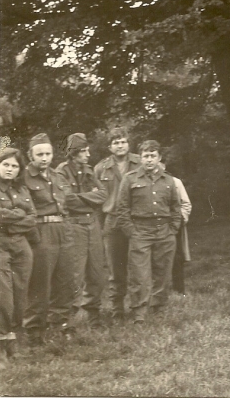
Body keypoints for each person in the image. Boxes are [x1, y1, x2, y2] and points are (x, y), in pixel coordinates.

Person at [117, 140, 181, 324]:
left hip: (164, 232)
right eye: (146, 156)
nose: (149, 160)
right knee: (139, 275)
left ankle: (159, 308)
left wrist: (173, 229)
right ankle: (139, 312)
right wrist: (132, 232)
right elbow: (122, 209)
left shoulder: (168, 180)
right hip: (140, 232)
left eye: (153, 156)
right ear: (140, 158)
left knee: (163, 272)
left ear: (159, 158)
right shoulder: (130, 179)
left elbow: (175, 207)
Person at [22, 133, 75, 345]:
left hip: (63, 229)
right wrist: (34, 234)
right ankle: (34, 330)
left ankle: (61, 324)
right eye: (39, 154)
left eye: (48, 153)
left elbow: (66, 203)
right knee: (40, 282)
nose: (44, 158)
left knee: (65, 280)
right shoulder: (24, 177)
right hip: (41, 231)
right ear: (30, 155)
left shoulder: (57, 176)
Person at [56, 133, 108, 328]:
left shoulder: (89, 170)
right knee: (74, 274)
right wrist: (89, 197)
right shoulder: (61, 172)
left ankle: (94, 317)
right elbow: (67, 200)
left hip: (92, 225)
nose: (88, 154)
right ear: (74, 153)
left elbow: (103, 195)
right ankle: (67, 320)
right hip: (74, 226)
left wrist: (81, 197)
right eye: (84, 151)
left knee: (96, 272)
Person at [94, 127, 141, 320]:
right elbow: (97, 201)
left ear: (128, 144)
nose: (120, 146)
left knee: (139, 266)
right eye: (116, 143)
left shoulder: (140, 162)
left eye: (123, 142)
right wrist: (99, 227)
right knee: (115, 268)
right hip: (112, 221)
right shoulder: (101, 168)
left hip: (136, 220)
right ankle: (117, 310)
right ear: (109, 147)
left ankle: (139, 308)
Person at [0, 148, 37, 367]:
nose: (10, 169)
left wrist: (12, 221)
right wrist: (19, 213)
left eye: (14, 166)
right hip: (0, 245)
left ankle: (11, 342)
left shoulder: (21, 189)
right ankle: (0, 347)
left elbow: (32, 217)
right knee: (3, 296)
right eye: (6, 164)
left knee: (20, 295)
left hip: (21, 246)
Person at [165, 163, 192, 295]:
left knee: (176, 258)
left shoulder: (175, 182)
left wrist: (179, 220)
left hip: (173, 225)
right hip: (152, 226)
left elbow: (186, 204)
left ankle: (179, 290)